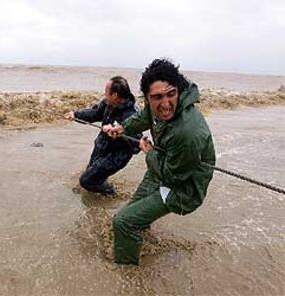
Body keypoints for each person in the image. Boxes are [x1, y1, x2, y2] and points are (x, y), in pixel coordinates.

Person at [103, 59, 216, 265]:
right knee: (134, 211)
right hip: (165, 165)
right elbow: (147, 116)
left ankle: (126, 272)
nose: (165, 105)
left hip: (183, 188)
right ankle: (139, 238)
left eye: (171, 94)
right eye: (157, 97)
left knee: (123, 222)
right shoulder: (154, 107)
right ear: (146, 97)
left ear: (179, 90)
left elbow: (172, 176)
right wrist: (123, 128)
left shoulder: (187, 132)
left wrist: (149, 153)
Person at [64, 76, 141, 195]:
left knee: (86, 181)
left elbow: (136, 145)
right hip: (102, 146)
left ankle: (112, 194)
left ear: (115, 95)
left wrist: (120, 132)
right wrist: (76, 114)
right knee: (91, 174)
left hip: (116, 155)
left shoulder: (132, 115)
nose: (104, 94)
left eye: (106, 92)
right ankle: (99, 188)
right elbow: (94, 113)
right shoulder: (108, 103)